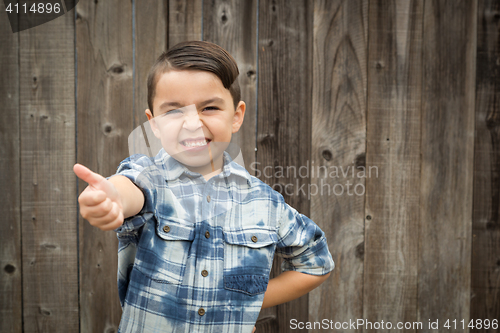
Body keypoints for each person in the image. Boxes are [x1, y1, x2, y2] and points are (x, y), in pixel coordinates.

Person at [74, 41, 334, 333]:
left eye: (209, 108)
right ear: (154, 124)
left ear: (236, 116)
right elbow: (129, 190)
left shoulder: (264, 202)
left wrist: (243, 302)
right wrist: (110, 198)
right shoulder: (149, 179)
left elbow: (316, 262)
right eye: (173, 111)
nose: (192, 123)